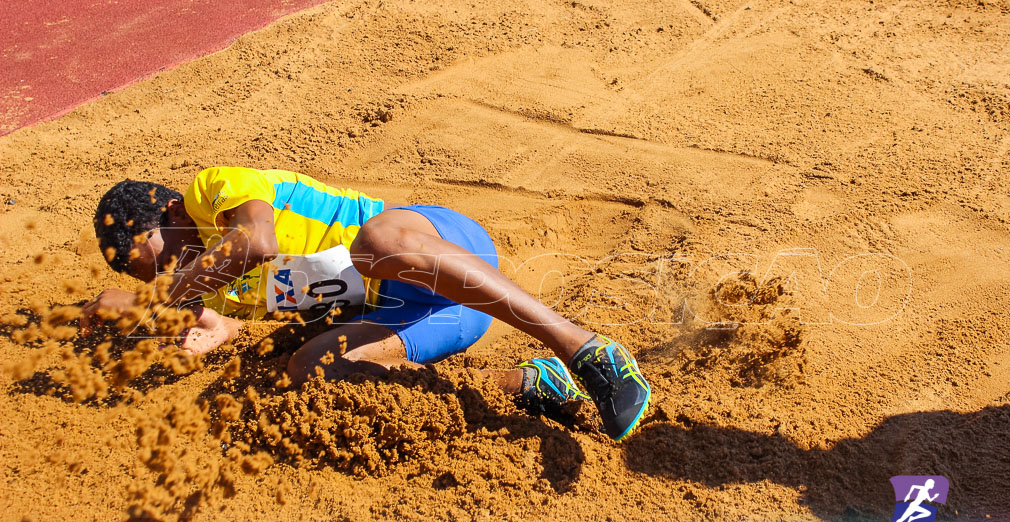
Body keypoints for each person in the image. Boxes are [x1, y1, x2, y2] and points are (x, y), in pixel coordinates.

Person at [79, 167, 651, 441]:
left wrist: (166, 299)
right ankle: (523, 383)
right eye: (154, 275)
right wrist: (162, 314)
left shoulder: (213, 192)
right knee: (307, 371)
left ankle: (588, 351)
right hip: (430, 316)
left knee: (372, 246)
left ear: (174, 213)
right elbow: (218, 312)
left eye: (161, 256)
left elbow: (259, 242)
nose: (170, 274)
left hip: (440, 253)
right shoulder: (216, 284)